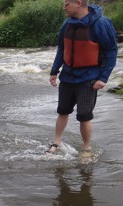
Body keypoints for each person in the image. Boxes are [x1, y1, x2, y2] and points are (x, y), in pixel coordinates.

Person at [47, 0, 117, 156]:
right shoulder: (67, 24)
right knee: (62, 111)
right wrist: (54, 71)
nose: (64, 7)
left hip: (89, 79)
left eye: (67, 4)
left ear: (78, 3)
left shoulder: (101, 23)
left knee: (84, 116)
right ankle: (56, 143)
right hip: (67, 77)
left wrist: (103, 78)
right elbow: (62, 49)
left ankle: (86, 148)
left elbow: (111, 52)